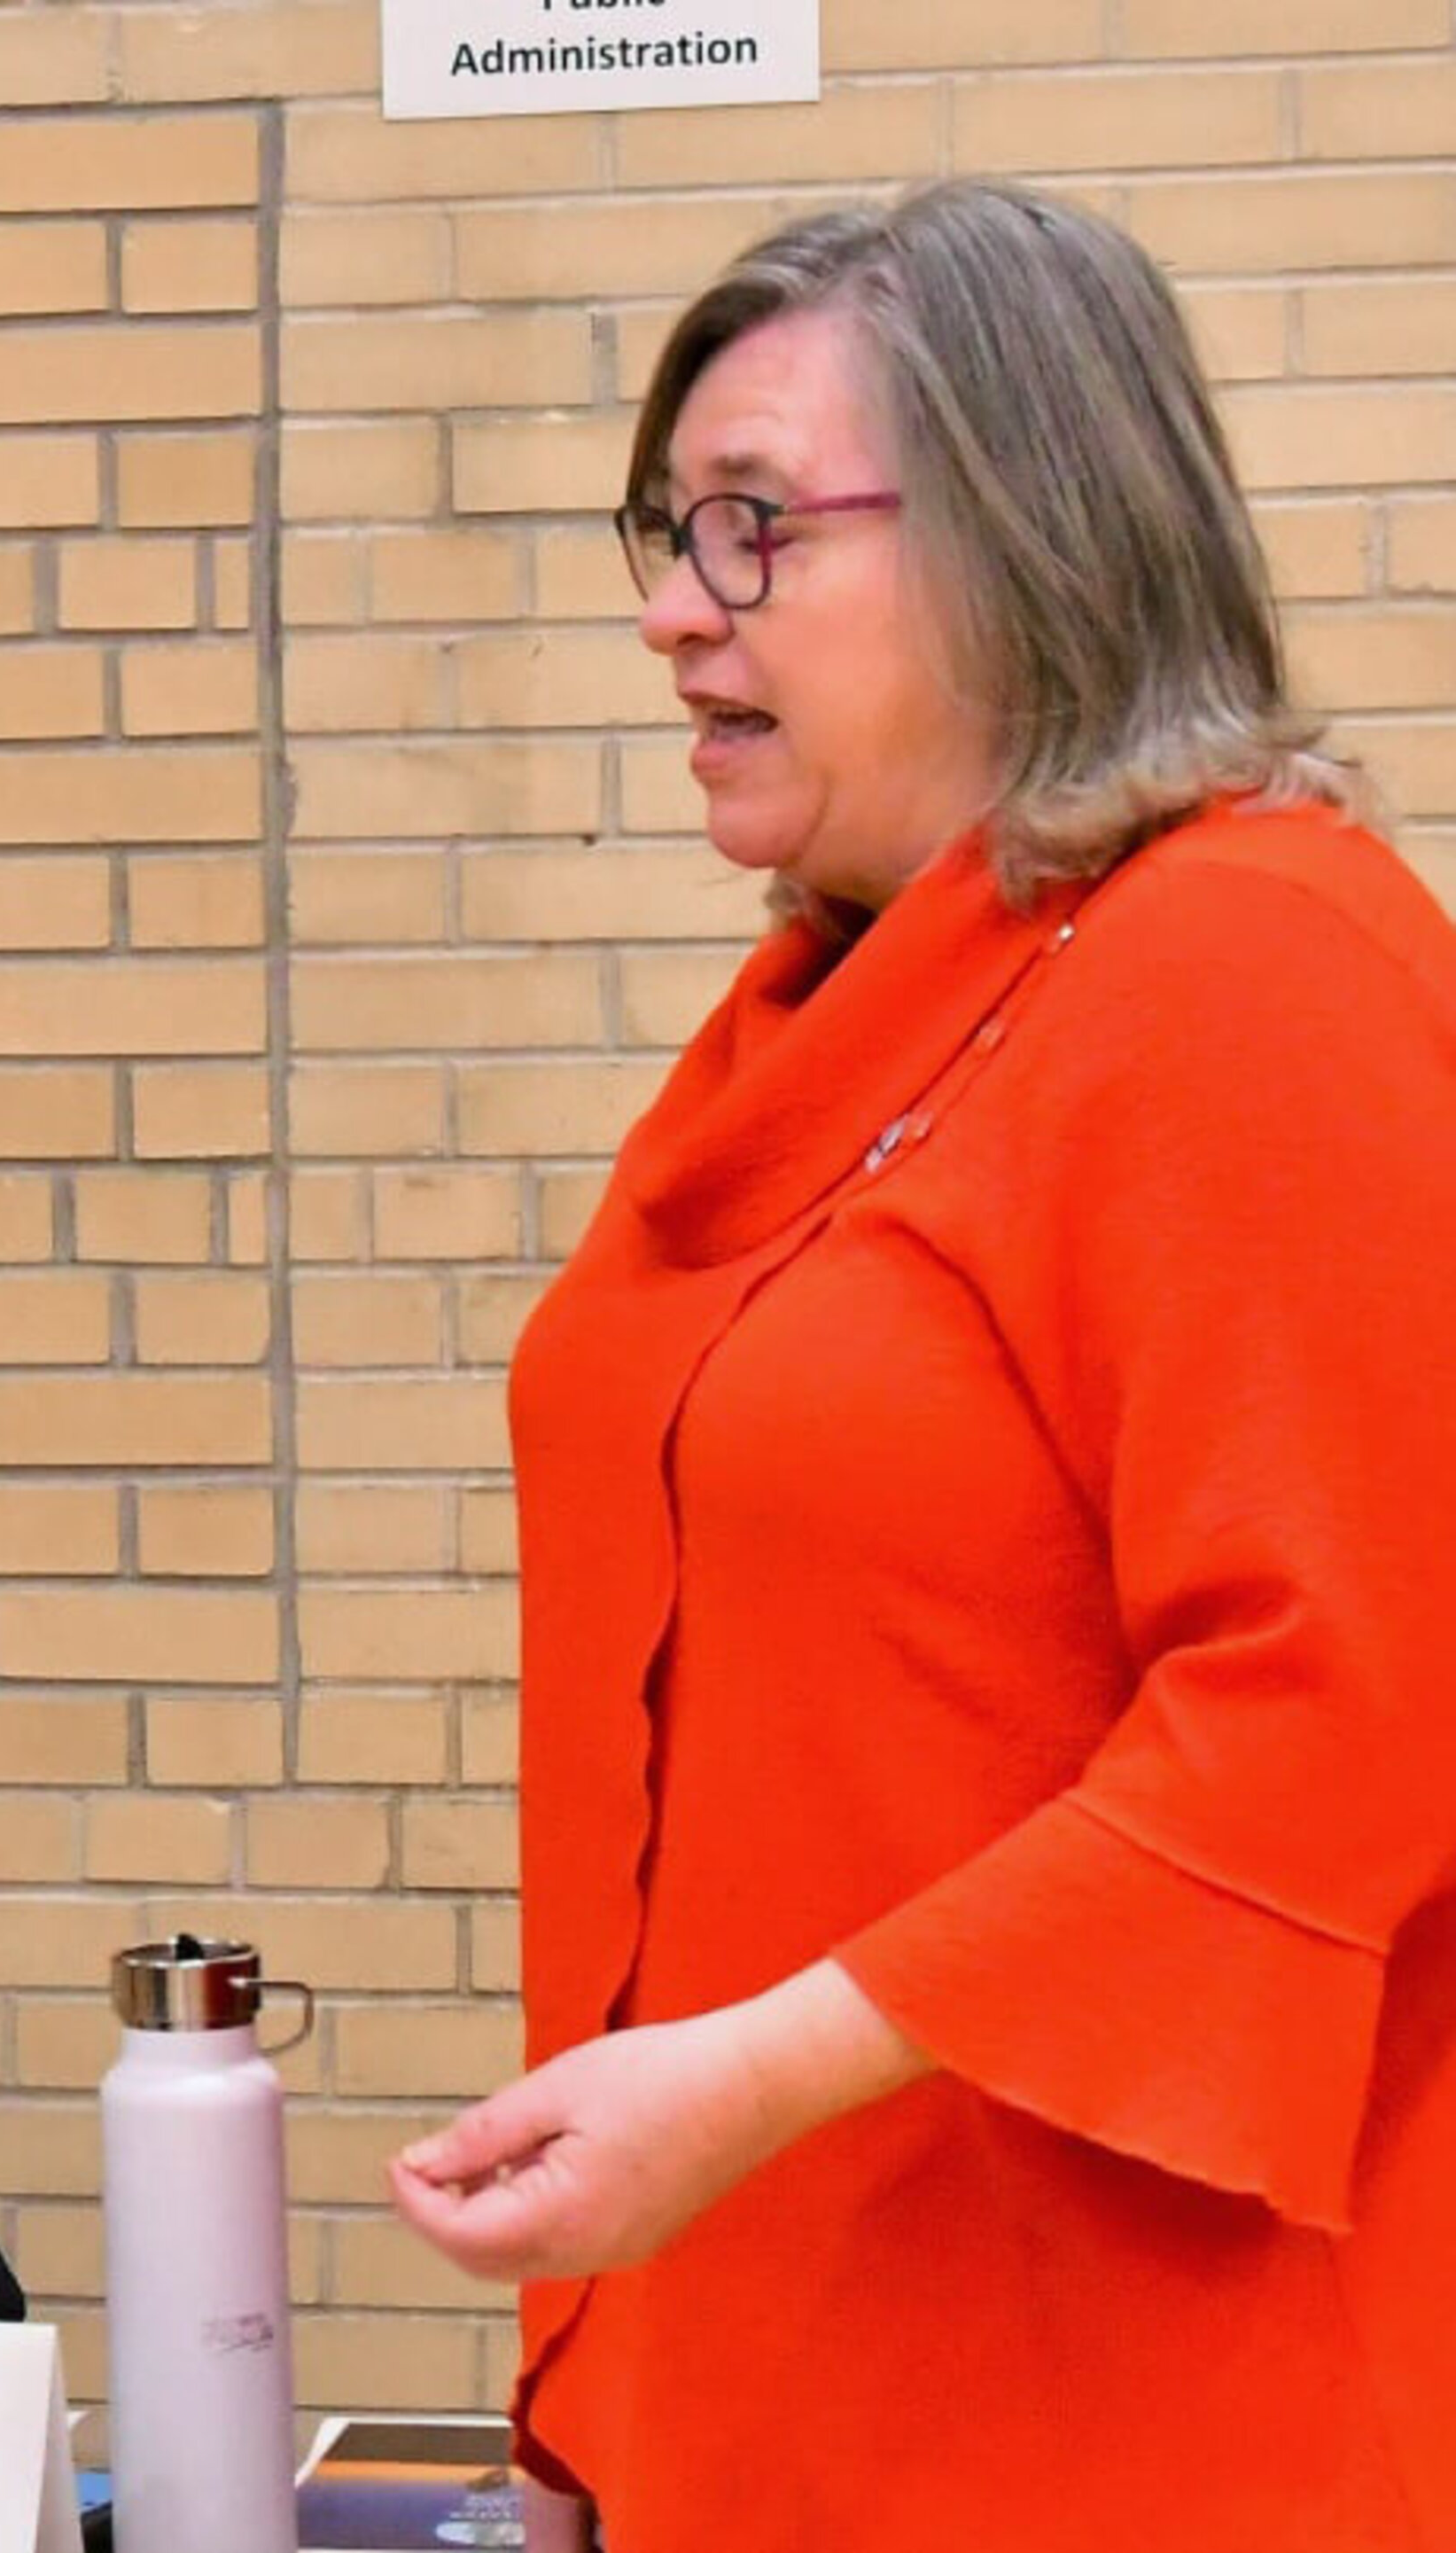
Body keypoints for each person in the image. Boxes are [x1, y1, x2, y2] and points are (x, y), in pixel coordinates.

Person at [387, 179, 1456, 2550]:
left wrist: (758, 2077)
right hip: (778, 2325)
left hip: (1133, 2399)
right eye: (668, 530)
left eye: (757, 529)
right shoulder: (836, 1003)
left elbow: (1338, 1712)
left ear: (1030, 539)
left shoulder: (1255, 968)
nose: (676, 612)